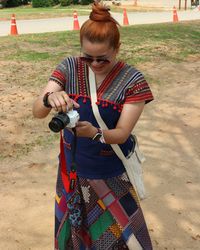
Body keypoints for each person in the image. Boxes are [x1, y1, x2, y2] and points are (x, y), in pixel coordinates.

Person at [32, 2, 154, 249]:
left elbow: (121, 134)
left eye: (103, 59)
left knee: (118, 239)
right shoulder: (69, 67)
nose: (94, 64)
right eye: (88, 57)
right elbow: (37, 112)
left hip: (109, 175)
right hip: (71, 172)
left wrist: (95, 133)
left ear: (116, 50)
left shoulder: (133, 80)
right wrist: (48, 99)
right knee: (75, 236)